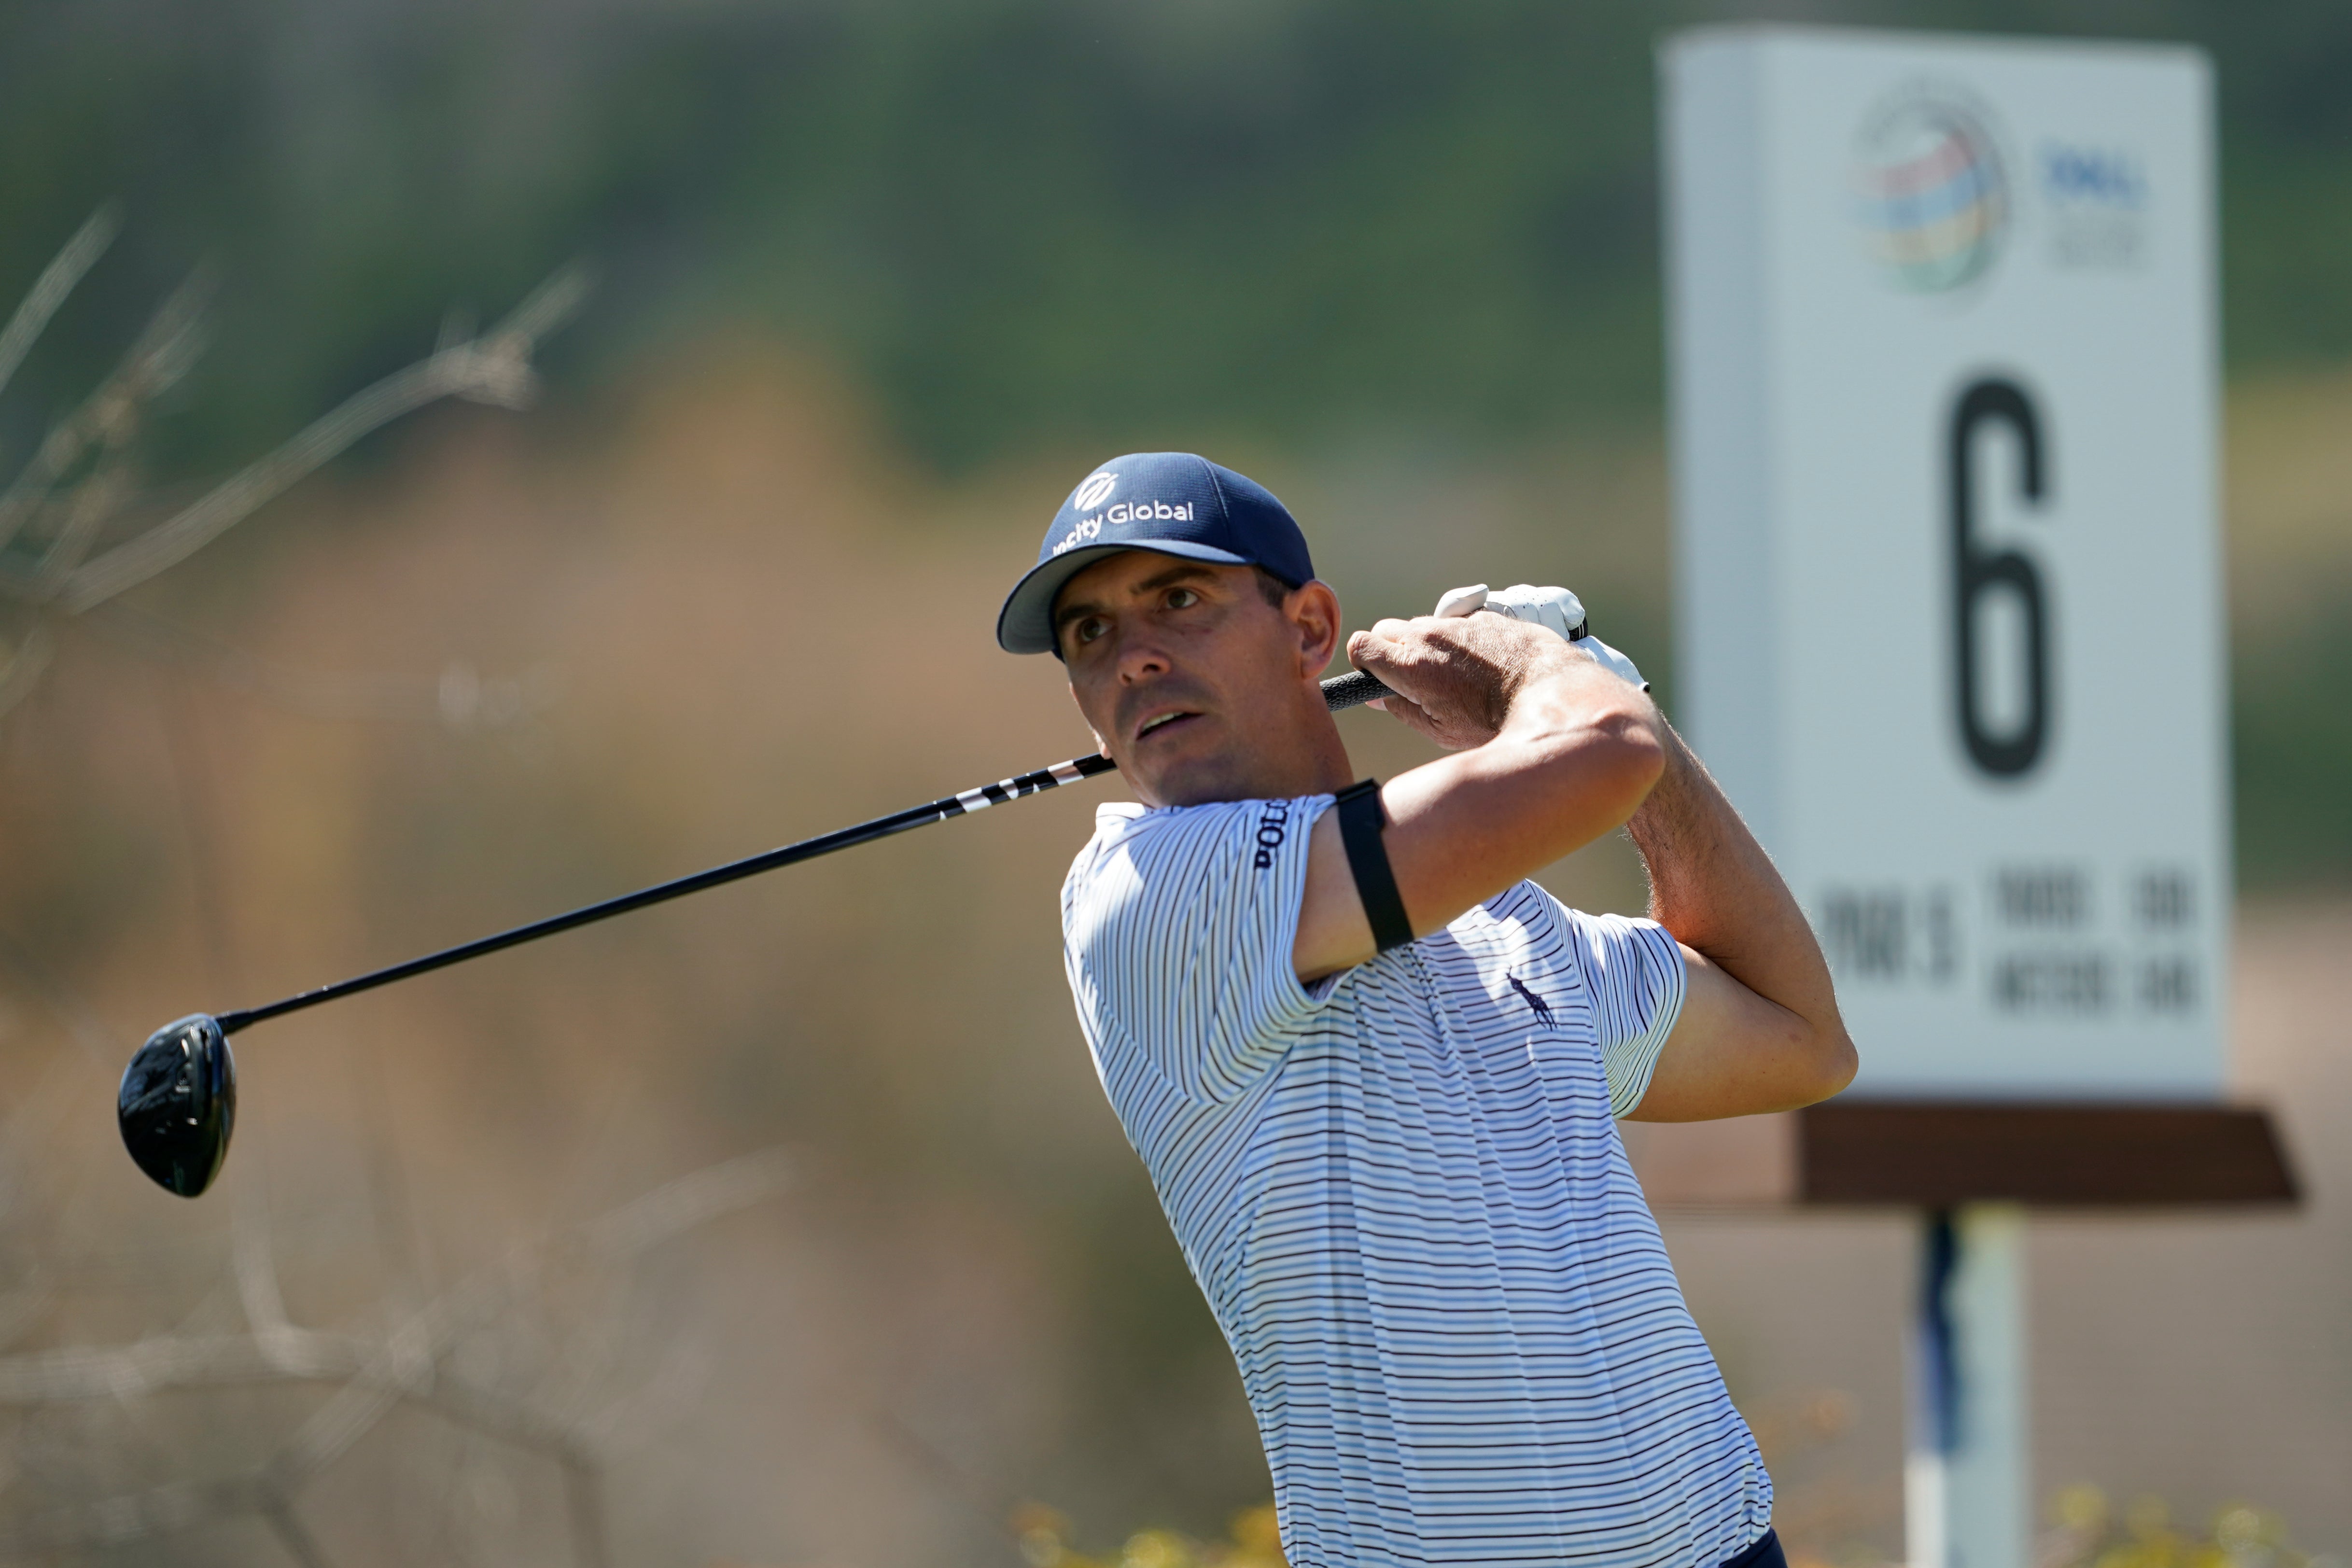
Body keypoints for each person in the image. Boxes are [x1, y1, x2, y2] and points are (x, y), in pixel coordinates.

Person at [997, 452, 1855, 1568]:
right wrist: (1540, 670)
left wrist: (1627, 729)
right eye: (1090, 635)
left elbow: (1799, 1036)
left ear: (1311, 632)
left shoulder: (1511, 926)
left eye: (1179, 599)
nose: (1137, 653)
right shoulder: (1149, 897)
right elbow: (1603, 752)